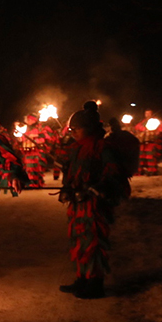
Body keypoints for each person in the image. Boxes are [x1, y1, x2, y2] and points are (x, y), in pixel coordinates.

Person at [59, 102, 129, 299]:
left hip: (94, 206)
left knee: (93, 242)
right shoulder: (76, 148)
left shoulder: (103, 148)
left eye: (77, 129)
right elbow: (71, 173)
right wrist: (67, 189)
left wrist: (100, 187)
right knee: (78, 241)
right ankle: (82, 278)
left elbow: (115, 174)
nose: (72, 132)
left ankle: (95, 283)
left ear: (89, 128)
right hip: (77, 204)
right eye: (71, 129)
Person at [134, 109, 162, 176]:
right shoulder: (143, 122)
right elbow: (137, 127)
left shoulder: (156, 121)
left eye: (149, 113)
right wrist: (142, 129)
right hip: (143, 142)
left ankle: (152, 171)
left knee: (150, 156)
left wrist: (159, 133)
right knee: (141, 156)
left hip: (152, 142)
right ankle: (140, 170)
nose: (147, 115)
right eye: (146, 113)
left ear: (152, 114)